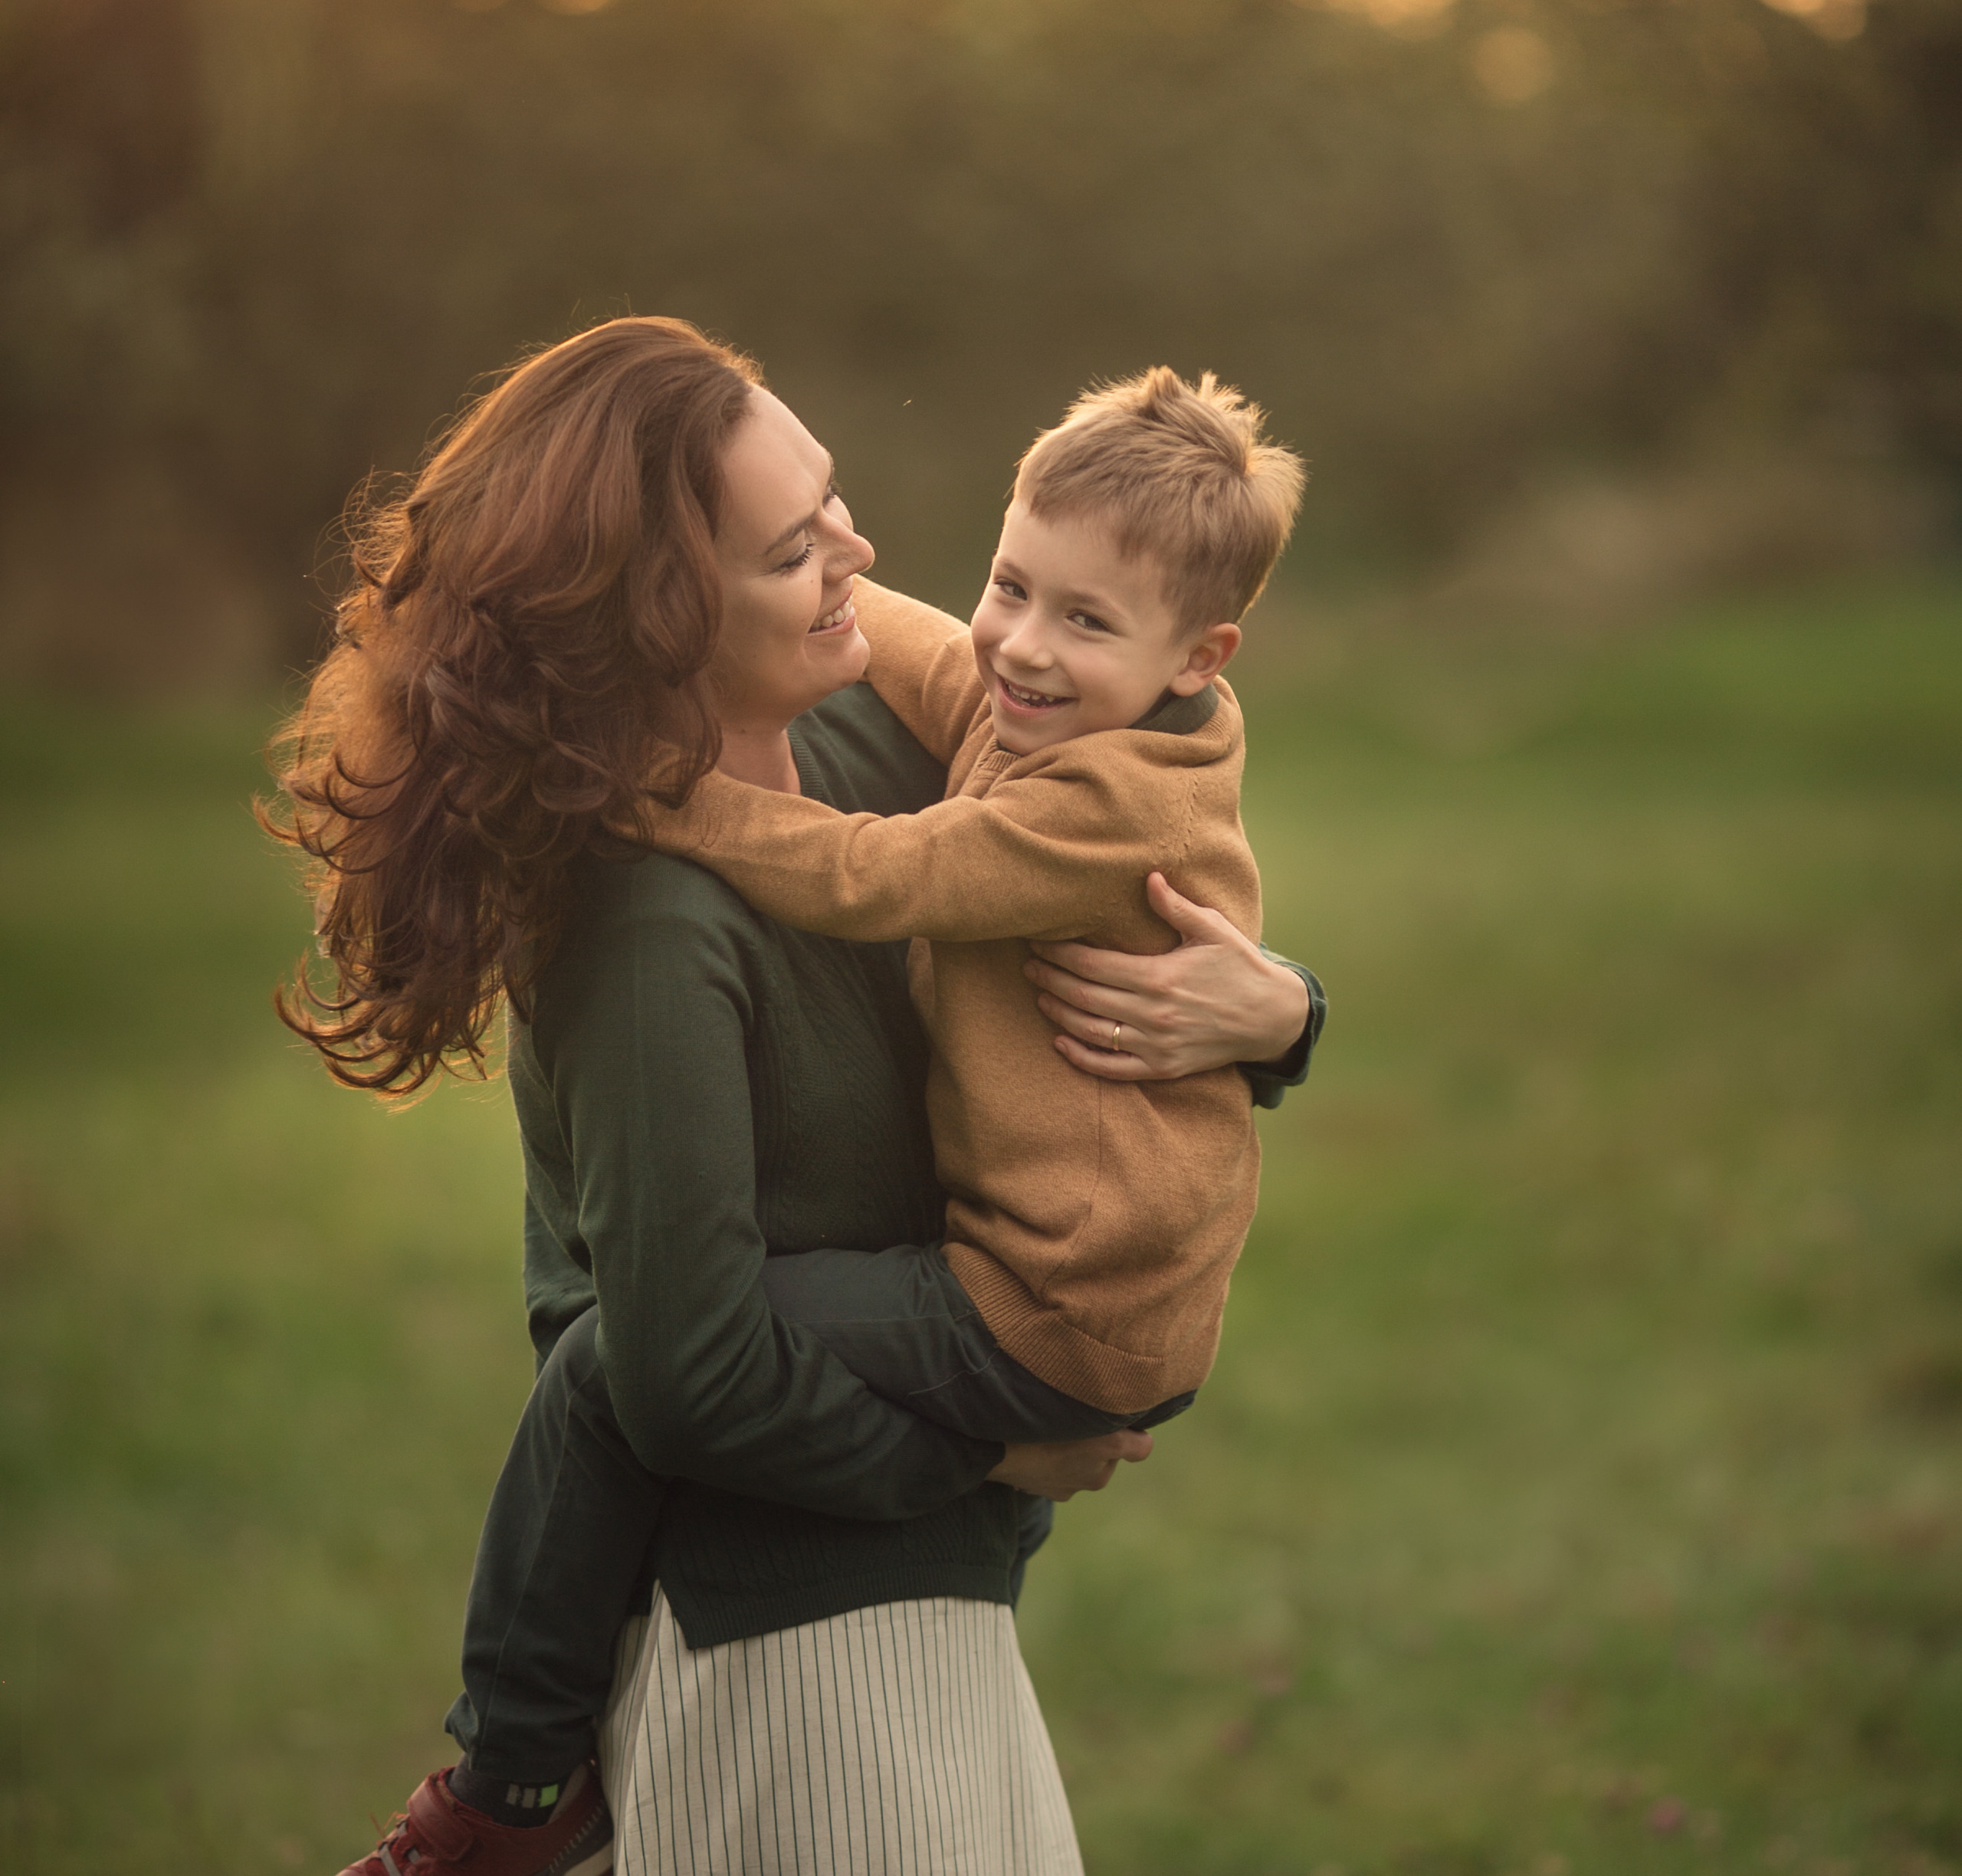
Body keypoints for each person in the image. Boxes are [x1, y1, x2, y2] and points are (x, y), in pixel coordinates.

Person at [266, 317, 1321, 1876]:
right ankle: (499, 1796)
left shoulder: (885, 736)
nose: (860, 549)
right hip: (789, 1651)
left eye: (832, 498)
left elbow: (1094, 871)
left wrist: (1282, 1012)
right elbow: (677, 1367)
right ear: (667, 608)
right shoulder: (650, 907)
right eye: (792, 544)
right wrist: (989, 1454)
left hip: (934, 1614)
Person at [639, 366, 1305, 1435]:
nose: (1024, 643)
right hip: (1053, 1273)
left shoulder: (1108, 806)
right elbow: (940, 657)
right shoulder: (1073, 710)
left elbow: (877, 875)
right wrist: (817, 580)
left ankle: (546, 1615)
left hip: (1062, 1310)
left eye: (1086, 619)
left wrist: (665, 801)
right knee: (657, 1358)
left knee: (679, 1348)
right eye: (1010, 587)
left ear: (1198, 659)